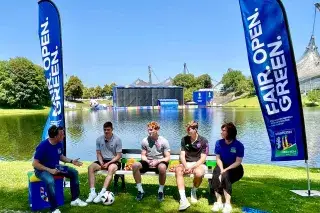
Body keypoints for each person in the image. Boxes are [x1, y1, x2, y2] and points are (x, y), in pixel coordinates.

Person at [32, 125, 87, 213]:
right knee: (50, 181)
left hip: (56, 167)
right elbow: (35, 163)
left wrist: (72, 161)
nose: (64, 136)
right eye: (61, 134)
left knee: (74, 173)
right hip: (41, 170)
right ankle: (54, 209)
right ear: (55, 136)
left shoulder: (59, 144)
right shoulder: (43, 146)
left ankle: (75, 200)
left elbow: (60, 156)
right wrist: (50, 170)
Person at [132, 121, 170, 202]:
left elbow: (167, 158)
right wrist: (147, 160)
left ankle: (160, 191)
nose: (149, 132)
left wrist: (157, 161)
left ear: (157, 130)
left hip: (159, 161)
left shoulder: (164, 141)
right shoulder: (145, 141)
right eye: (148, 130)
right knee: (135, 165)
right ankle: (140, 190)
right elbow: (143, 155)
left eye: (151, 130)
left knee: (162, 167)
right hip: (148, 161)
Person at [175, 121, 209, 211]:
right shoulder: (184, 139)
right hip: (186, 163)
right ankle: (183, 199)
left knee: (198, 173)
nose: (187, 130)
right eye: (187, 129)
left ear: (195, 129)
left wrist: (192, 167)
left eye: (189, 129)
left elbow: (203, 159)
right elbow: (182, 155)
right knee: (178, 170)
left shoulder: (203, 141)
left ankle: (193, 190)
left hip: (199, 164)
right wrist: (186, 166)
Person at [211, 122, 244, 213]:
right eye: (222, 130)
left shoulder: (239, 145)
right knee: (216, 175)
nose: (221, 132)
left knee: (225, 177)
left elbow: (238, 162)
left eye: (223, 130)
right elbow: (218, 159)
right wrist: (221, 169)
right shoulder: (218, 143)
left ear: (230, 132)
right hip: (222, 165)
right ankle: (218, 202)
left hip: (235, 168)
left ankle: (228, 204)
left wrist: (225, 170)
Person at [86, 121, 122, 203]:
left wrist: (109, 163)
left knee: (111, 168)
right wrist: (101, 162)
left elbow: (118, 155)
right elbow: (98, 153)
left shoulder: (117, 140)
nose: (106, 131)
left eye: (108, 129)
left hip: (114, 161)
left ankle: (102, 193)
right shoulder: (99, 139)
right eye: (105, 129)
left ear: (112, 129)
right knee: (90, 167)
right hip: (103, 161)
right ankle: (92, 193)